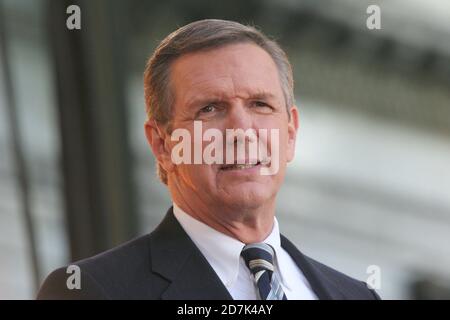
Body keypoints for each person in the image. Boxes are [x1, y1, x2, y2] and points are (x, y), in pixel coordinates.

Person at [37, 19, 380, 300]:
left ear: (290, 134)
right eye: (210, 109)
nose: (241, 130)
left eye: (260, 104)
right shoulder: (92, 291)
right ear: (162, 144)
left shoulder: (358, 296)